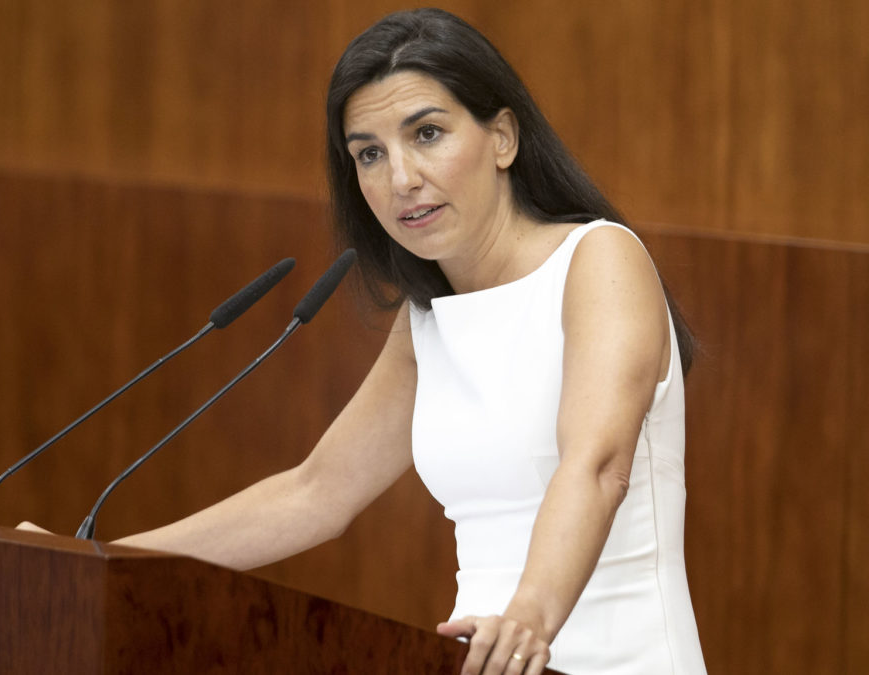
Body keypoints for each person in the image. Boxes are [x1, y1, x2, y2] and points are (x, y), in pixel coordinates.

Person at [112, 8, 705, 674]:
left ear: (503, 137)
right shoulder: (429, 317)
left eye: (426, 134)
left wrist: (528, 619)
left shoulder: (600, 260)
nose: (400, 178)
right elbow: (316, 492)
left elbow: (598, 465)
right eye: (370, 152)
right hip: (481, 661)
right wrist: (107, 561)